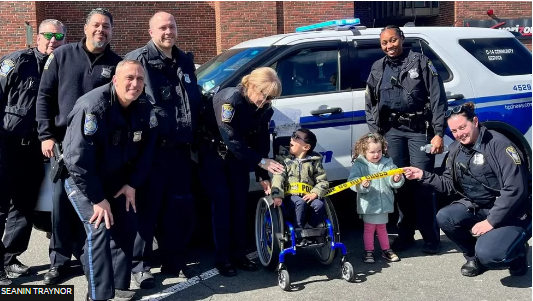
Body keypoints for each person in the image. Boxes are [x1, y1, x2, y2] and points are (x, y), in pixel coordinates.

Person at [36, 8, 122, 285]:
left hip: (100, 149)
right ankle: (58, 262)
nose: (101, 30)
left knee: (94, 206)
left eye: (106, 26)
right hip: (63, 148)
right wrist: (46, 135)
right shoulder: (61, 56)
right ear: (85, 28)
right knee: (61, 206)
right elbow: (44, 97)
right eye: (96, 25)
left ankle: (90, 260)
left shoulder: (116, 64)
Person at [63, 60, 157, 301]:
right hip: (83, 181)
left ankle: (118, 284)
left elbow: (147, 151)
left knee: (127, 224)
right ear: (115, 80)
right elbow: (77, 159)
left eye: (139, 79)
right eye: (129, 78)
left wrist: (133, 184)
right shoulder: (93, 106)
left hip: (118, 180)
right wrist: (97, 199)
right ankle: (99, 295)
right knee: (99, 229)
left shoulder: (143, 106)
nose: (135, 84)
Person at [404, 102, 531, 277]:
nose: (459, 134)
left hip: (513, 212)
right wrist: (423, 175)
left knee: (491, 254)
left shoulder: (499, 145)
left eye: (462, 127)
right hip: (480, 206)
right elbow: (449, 184)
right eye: (454, 131)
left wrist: (490, 222)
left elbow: (515, 189)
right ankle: (473, 258)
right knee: (445, 217)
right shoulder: (456, 150)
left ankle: (518, 252)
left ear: (475, 121)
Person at [124, 11, 202, 288]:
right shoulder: (139, 61)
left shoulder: (185, 61)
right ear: (151, 32)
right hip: (151, 152)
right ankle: (140, 265)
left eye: (171, 26)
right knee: (147, 209)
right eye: (162, 28)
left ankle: (173, 260)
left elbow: (194, 101)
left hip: (180, 151)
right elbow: (128, 103)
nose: (168, 31)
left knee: (176, 208)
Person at [365, 25, 448, 254]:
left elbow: (439, 98)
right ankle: (406, 235)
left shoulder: (420, 62)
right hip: (392, 132)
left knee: (422, 184)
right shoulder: (378, 67)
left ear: (401, 38)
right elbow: (370, 104)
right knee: (399, 184)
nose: (389, 46)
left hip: (419, 130)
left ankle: (431, 238)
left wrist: (439, 133)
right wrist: (376, 136)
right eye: (384, 43)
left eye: (393, 40)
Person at [198, 67, 284, 277]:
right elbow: (232, 138)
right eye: (264, 95)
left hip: (239, 158)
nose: (265, 101)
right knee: (222, 205)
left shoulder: (265, 108)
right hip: (214, 155)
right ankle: (223, 258)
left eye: (271, 98)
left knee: (239, 204)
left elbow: (260, 140)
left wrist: (262, 174)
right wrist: (260, 161)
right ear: (251, 86)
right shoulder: (230, 100)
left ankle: (239, 254)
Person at [0, 19, 66, 285]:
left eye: (59, 35)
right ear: (37, 37)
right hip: (7, 147)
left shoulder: (63, 65)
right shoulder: (18, 62)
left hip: (35, 152)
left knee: (24, 208)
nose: (53, 39)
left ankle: (9, 258)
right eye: (48, 34)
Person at [348, 133, 404, 263]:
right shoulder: (360, 164)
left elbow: (394, 177)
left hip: (384, 202)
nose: (376, 155)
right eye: (372, 152)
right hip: (368, 203)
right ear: (363, 151)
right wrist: (361, 184)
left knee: (382, 228)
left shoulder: (387, 162)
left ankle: (386, 250)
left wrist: (396, 178)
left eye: (379, 151)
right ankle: (369, 251)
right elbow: (352, 181)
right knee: (369, 228)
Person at [270, 128, 329, 245]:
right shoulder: (284, 160)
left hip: (309, 196)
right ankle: (298, 233)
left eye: (297, 137)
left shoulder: (314, 162)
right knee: (299, 202)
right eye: (293, 135)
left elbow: (323, 181)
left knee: (319, 204)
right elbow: (278, 178)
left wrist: (315, 193)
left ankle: (311, 229)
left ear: (306, 147)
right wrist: (277, 195)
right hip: (290, 198)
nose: (292, 138)